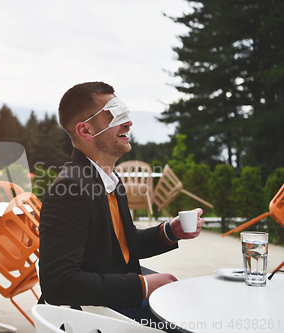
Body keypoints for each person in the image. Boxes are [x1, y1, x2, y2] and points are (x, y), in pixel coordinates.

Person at [38, 81, 204, 327]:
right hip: (97, 314)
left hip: (116, 295)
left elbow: (120, 245)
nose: (128, 122)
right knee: (191, 320)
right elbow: (59, 284)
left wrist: (169, 231)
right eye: (116, 114)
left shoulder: (110, 181)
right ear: (85, 130)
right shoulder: (70, 190)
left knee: (190, 301)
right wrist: (142, 286)